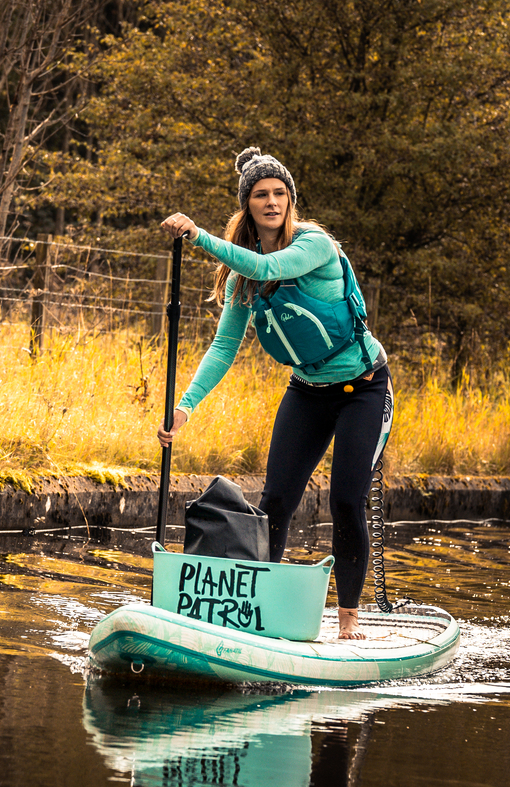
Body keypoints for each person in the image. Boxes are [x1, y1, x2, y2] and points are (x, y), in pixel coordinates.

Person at [159, 147, 393, 640]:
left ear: (291, 201)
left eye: (279, 193)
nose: (271, 202)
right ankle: (257, 613)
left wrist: (198, 236)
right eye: (261, 195)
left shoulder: (315, 244)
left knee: (347, 501)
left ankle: (348, 620)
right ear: (248, 206)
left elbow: (272, 269)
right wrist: (185, 407)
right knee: (276, 502)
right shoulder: (243, 276)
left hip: (363, 389)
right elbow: (224, 347)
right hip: (308, 390)